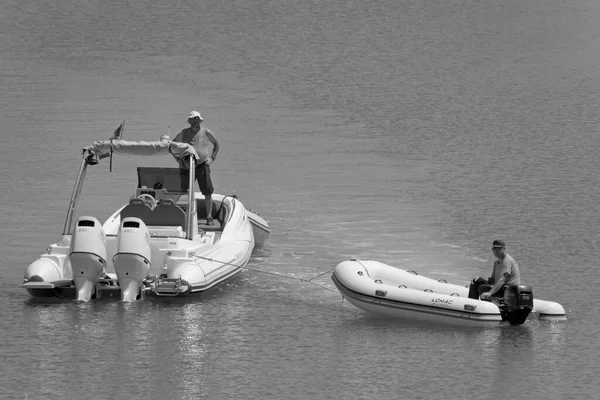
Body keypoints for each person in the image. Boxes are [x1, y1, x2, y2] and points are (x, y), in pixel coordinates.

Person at [173, 111, 220, 225]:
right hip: (187, 167)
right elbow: (172, 146)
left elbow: (217, 144)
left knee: (207, 191)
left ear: (200, 120)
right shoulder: (183, 133)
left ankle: (209, 217)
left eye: (197, 119)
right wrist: (178, 159)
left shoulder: (206, 132)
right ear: (189, 121)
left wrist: (212, 158)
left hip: (203, 166)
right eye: (193, 119)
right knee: (182, 191)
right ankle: (178, 214)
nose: (195, 121)